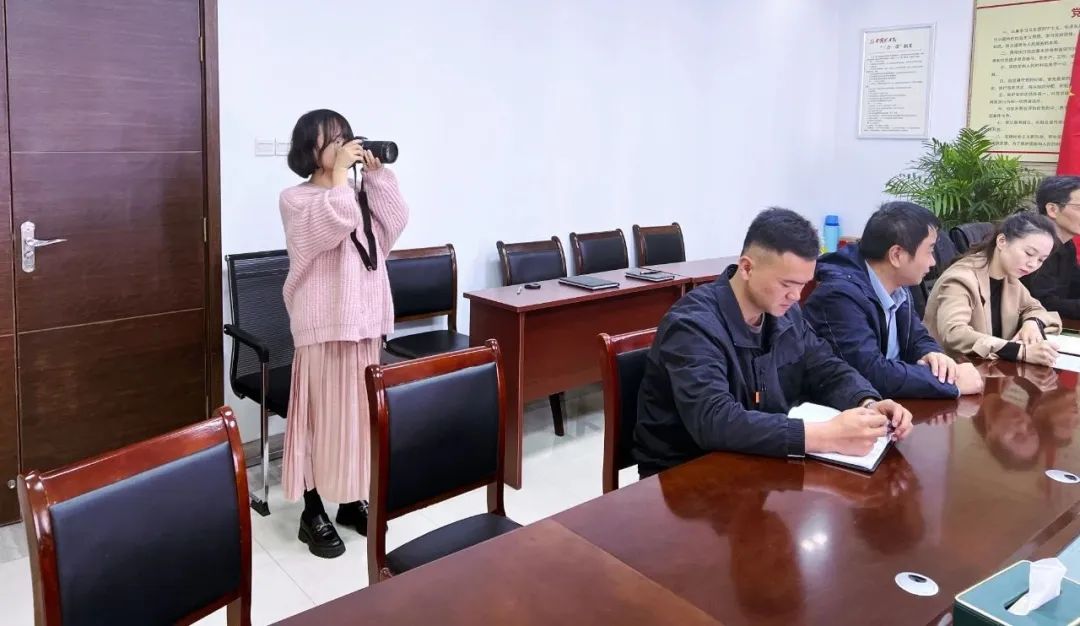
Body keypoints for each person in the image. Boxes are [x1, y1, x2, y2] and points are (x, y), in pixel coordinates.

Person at [633, 207, 913, 477]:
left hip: (757, 459)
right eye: (786, 284)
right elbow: (714, 420)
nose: (796, 296)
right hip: (686, 475)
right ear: (747, 268)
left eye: (802, 285)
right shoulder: (692, 325)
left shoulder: (785, 312)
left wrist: (866, 403)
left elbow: (824, 366)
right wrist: (826, 435)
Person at [279, 109, 409, 558]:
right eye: (330, 139)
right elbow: (332, 222)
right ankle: (312, 510)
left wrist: (376, 177)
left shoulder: (353, 193)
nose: (340, 146)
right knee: (319, 422)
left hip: (365, 323)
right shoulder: (295, 200)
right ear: (308, 149)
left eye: (345, 138)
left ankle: (351, 500)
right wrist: (340, 180)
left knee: (357, 421)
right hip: (322, 326)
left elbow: (394, 223)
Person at [804, 201, 984, 399]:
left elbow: (917, 337)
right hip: (851, 408)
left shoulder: (897, 284)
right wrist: (951, 383)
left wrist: (934, 356)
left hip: (892, 404)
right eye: (929, 251)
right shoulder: (839, 296)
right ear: (897, 255)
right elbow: (869, 373)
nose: (933, 262)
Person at [924, 212, 1061, 366]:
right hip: (951, 369)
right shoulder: (961, 278)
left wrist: (1032, 322)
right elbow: (954, 333)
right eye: (1029, 253)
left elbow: (1034, 308)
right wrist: (1019, 351)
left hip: (990, 368)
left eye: (1041, 260)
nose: (1033, 264)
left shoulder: (1009, 278)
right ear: (1002, 241)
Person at [1021, 175, 1080, 319]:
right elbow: (1043, 304)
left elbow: (1074, 284)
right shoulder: (1033, 249)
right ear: (1053, 210)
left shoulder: (1067, 245)